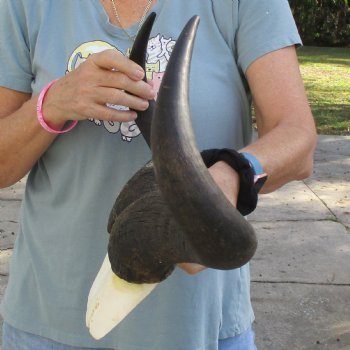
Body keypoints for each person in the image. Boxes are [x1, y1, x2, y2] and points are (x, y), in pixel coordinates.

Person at [0, 0, 317, 349]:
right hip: (48, 325)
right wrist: (51, 103)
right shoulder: (25, 6)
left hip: (199, 326)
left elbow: (297, 140)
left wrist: (230, 175)